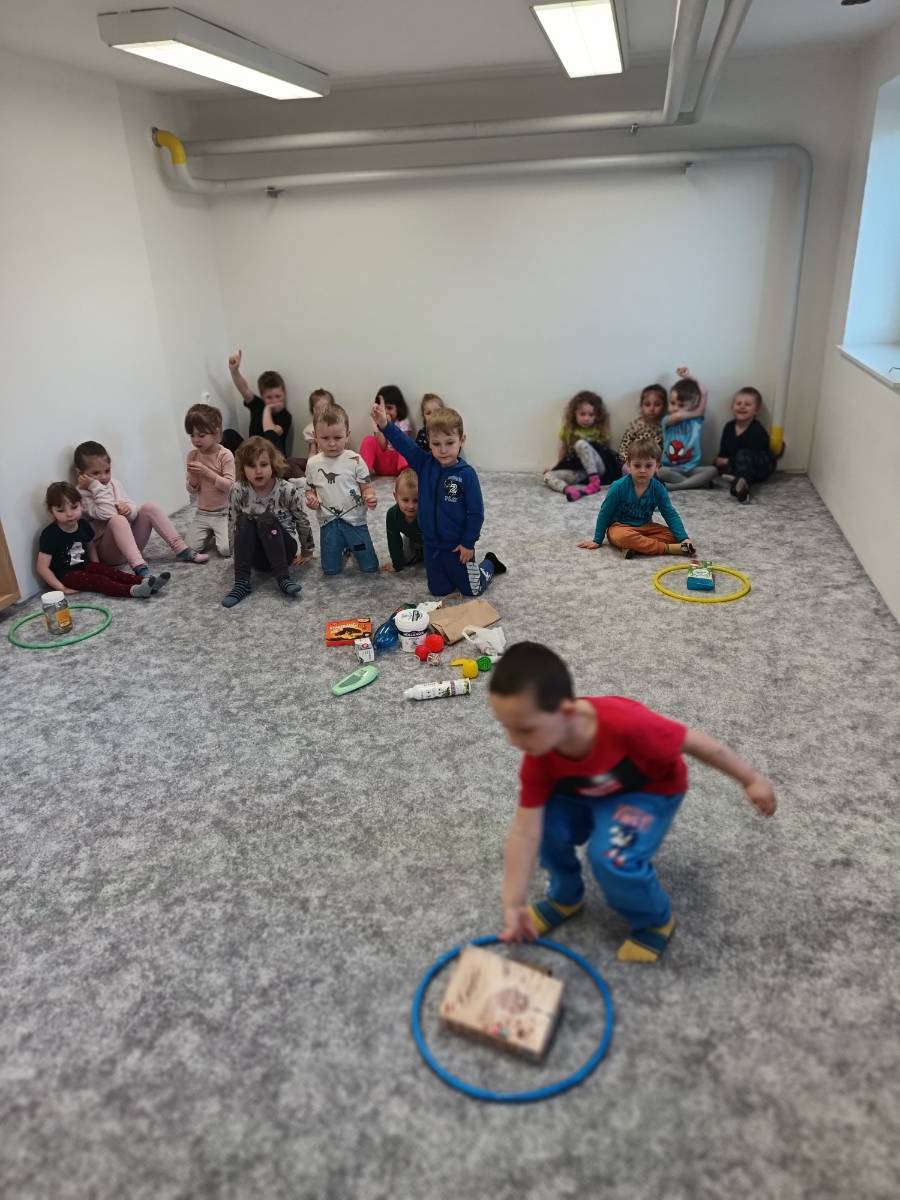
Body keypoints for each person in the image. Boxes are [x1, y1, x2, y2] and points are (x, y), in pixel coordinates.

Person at [489, 642, 777, 962]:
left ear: (567, 712)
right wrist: (513, 903)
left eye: (525, 729)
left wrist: (750, 779)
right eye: (506, 727)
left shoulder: (627, 724)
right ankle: (565, 897)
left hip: (647, 791)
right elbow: (524, 832)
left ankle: (654, 921)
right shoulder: (538, 756)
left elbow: (697, 743)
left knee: (612, 857)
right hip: (582, 790)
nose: (513, 741)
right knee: (544, 831)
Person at [371, 397, 505, 596]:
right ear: (429, 443)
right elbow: (404, 444)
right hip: (431, 546)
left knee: (473, 589)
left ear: (462, 440)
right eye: (436, 444)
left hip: (458, 547)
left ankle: (490, 563)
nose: (443, 450)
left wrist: (468, 543)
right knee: (438, 591)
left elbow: (476, 513)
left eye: (449, 443)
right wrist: (385, 424)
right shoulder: (424, 463)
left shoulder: (466, 475)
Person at [74, 440, 206, 572]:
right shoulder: (81, 495)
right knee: (117, 520)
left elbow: (132, 509)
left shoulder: (114, 483)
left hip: (130, 545)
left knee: (149, 507)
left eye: (107, 470)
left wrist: (128, 511)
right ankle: (139, 566)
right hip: (109, 554)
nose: (103, 477)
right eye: (96, 473)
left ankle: (182, 549)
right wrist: (95, 486)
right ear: (80, 473)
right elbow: (108, 514)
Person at [222, 438, 314, 608]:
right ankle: (241, 583)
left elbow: (302, 519)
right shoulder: (238, 490)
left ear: (273, 464)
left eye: (263, 465)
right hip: (257, 557)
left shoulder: (287, 489)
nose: (258, 471)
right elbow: (232, 521)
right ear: (242, 468)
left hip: (284, 550)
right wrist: (237, 556)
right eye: (251, 466)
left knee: (266, 519)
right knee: (244, 520)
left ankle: (283, 578)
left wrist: (307, 550)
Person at [37, 482, 169, 599]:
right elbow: (42, 567)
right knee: (100, 581)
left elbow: (90, 546)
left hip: (85, 566)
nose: (69, 514)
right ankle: (133, 591)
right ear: (52, 511)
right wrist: (61, 588)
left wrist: (97, 566)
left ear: (81, 505)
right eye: (61, 510)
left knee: (112, 572)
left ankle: (146, 582)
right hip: (67, 575)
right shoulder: (50, 534)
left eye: (74, 507)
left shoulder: (83, 525)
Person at [577, 439, 694, 559]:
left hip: (646, 526)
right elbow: (605, 512)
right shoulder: (618, 487)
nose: (642, 470)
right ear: (629, 466)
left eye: (648, 466)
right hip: (620, 527)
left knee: (673, 535)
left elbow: (670, 513)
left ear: (657, 467)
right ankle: (667, 548)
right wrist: (597, 539)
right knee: (620, 537)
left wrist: (684, 538)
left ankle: (635, 547)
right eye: (637, 465)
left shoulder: (659, 488)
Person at [305, 404, 379, 575]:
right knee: (330, 570)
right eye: (325, 438)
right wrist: (311, 499)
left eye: (338, 437)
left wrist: (370, 497)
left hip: (355, 520)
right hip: (328, 521)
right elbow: (309, 490)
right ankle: (344, 548)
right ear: (315, 436)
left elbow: (367, 487)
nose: (332, 444)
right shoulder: (312, 463)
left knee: (370, 567)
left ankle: (350, 547)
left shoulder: (355, 460)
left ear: (347, 435)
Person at [543, 390, 620, 502]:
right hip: (580, 472)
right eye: (582, 414)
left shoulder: (599, 430)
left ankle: (594, 482)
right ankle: (569, 490)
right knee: (548, 475)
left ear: (597, 415)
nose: (586, 418)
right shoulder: (569, 430)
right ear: (574, 414)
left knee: (580, 444)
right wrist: (556, 467)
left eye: (591, 414)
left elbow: (606, 453)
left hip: (597, 468)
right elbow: (564, 449)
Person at [657, 367, 719, 491]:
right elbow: (678, 416)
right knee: (660, 472)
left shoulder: (696, 421)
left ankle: (677, 486)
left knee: (713, 470)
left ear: (694, 404)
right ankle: (696, 483)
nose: (675, 408)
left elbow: (704, 392)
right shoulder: (667, 420)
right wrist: (696, 412)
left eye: (681, 405)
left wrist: (689, 377)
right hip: (670, 468)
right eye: (672, 403)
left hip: (691, 468)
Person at [184, 403, 235, 557]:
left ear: (216, 433)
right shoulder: (193, 455)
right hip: (203, 512)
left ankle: (233, 526)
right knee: (190, 548)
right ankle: (211, 532)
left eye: (201, 435)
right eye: (192, 435)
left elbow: (230, 487)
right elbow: (191, 490)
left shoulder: (225, 455)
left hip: (224, 512)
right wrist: (193, 477)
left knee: (226, 550)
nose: (196, 440)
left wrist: (207, 473)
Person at [223, 350, 293, 459]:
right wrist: (234, 371)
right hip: (251, 452)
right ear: (262, 396)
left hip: (272, 457)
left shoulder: (285, 416)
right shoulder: (258, 405)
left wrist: (267, 409)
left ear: (284, 394)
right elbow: (244, 389)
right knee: (228, 434)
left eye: (278, 396)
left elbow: (270, 434)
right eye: (269, 397)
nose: (274, 401)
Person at [716, 386, 778, 503]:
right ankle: (738, 480)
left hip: (760, 464)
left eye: (748, 404)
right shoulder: (729, 427)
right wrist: (720, 461)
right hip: (737, 463)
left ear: (756, 410)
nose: (742, 406)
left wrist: (728, 461)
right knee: (719, 466)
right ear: (732, 407)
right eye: (738, 403)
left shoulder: (757, 430)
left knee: (743, 454)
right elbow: (724, 452)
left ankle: (743, 487)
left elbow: (750, 457)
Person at [359, 385, 411, 477]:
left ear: (398, 408)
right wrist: (378, 425)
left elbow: (401, 443)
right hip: (382, 463)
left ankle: (406, 474)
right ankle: (362, 473)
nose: (385, 412)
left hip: (397, 464)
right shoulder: (377, 422)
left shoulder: (403, 422)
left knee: (404, 442)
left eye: (389, 408)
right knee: (369, 440)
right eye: (382, 409)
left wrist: (389, 426)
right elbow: (382, 445)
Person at [381, 468, 423, 573]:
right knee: (405, 560)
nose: (411, 506)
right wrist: (397, 564)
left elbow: (438, 539)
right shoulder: (392, 514)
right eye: (405, 500)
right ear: (396, 497)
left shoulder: (428, 514)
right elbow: (393, 540)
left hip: (431, 540)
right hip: (412, 537)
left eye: (416, 500)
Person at [618, 384, 666, 461]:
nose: (652, 408)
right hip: (635, 463)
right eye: (647, 404)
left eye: (657, 404)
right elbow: (623, 449)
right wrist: (627, 463)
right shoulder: (634, 426)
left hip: (656, 464)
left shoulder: (664, 426)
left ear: (664, 406)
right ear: (641, 406)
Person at [301, 389, 335, 464]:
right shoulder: (312, 429)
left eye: (327, 408)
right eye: (319, 408)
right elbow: (312, 452)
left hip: (335, 459)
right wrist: (311, 466)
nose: (323, 411)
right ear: (313, 410)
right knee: (292, 461)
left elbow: (344, 447)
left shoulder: (336, 426)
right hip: (319, 462)